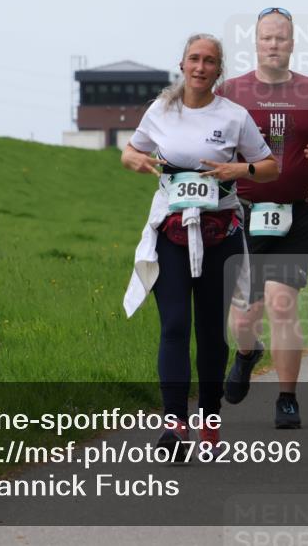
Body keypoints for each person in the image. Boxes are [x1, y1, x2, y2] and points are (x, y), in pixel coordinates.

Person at [121, 33, 278, 455]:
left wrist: (237, 169)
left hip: (220, 234)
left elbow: (268, 167)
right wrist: (135, 159)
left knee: (211, 333)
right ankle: (174, 425)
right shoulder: (161, 110)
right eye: (194, 59)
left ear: (218, 70)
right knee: (174, 326)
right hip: (170, 233)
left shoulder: (234, 116)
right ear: (182, 63)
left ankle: (210, 416)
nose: (200, 67)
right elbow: (131, 152)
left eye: (209, 61)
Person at [218, 7, 308, 429]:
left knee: (281, 304)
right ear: (256, 43)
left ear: (293, 44)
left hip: (295, 216)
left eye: (281, 38)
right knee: (243, 316)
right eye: (266, 38)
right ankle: (245, 352)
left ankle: (287, 398)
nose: (273, 45)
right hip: (244, 216)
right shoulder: (231, 91)